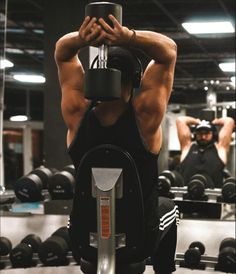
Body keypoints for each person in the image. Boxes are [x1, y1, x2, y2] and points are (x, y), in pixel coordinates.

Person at [55, 14, 178, 274]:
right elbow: (169, 51)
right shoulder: (146, 116)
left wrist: (82, 38)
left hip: (83, 239)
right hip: (138, 242)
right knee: (169, 206)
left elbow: (62, 54)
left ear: (95, 78)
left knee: (80, 213)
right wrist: (128, 36)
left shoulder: (76, 114)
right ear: (135, 81)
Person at [176, 116, 235, 187]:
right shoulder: (187, 147)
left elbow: (229, 121)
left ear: (213, 134)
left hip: (213, 196)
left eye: (207, 133)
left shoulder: (220, 149)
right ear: (195, 134)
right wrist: (197, 121)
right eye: (200, 133)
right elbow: (180, 120)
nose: (203, 137)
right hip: (187, 196)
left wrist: (213, 122)